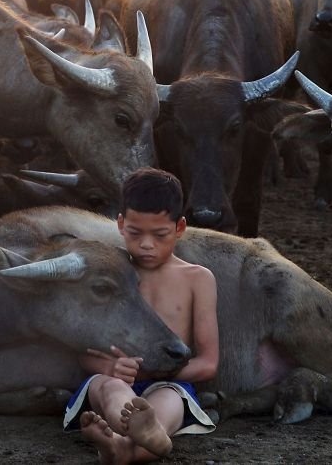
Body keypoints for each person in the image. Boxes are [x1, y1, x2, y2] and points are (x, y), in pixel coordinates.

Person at [63, 167, 219, 464]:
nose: (146, 244)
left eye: (160, 234)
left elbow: (208, 363)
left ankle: (123, 446)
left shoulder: (198, 279)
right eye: (135, 233)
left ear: (180, 228)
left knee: (168, 401)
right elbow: (80, 351)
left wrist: (154, 373)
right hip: (113, 379)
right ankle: (137, 435)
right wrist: (111, 367)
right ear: (121, 224)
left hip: (170, 383)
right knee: (110, 389)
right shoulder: (108, 274)